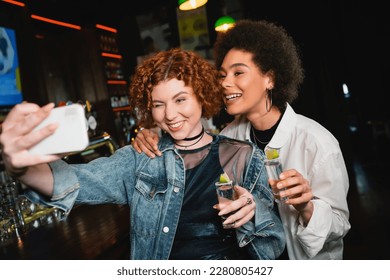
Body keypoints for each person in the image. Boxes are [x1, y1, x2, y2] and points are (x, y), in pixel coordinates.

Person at [0, 48, 285, 260]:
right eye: (158, 104)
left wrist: (255, 212)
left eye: (180, 99)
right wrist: (21, 168)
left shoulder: (245, 156)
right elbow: (74, 181)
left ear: (202, 95)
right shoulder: (141, 158)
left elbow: (273, 245)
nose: (170, 115)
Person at [132, 20, 351, 260]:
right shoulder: (228, 139)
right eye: (223, 75)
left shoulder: (316, 141)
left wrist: (306, 207)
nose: (225, 83)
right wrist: (152, 135)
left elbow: (340, 226)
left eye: (238, 73)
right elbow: (187, 139)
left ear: (270, 79)